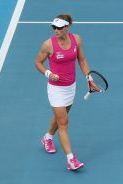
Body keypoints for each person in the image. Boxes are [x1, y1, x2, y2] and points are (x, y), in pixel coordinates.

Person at [35, 14, 95, 171]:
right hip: (56, 89)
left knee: (60, 117)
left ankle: (47, 138)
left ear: (67, 27)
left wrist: (89, 78)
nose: (56, 30)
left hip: (70, 87)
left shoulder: (77, 39)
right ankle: (71, 159)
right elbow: (38, 62)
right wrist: (49, 74)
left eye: (59, 27)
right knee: (63, 123)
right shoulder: (48, 44)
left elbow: (81, 60)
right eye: (54, 27)